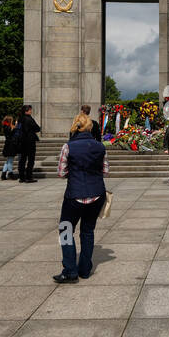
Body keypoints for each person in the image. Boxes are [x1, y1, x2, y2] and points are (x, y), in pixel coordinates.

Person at [53, 113, 110, 283]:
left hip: (75, 195)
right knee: (87, 231)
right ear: (90, 127)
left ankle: (70, 270)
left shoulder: (68, 147)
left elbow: (61, 173)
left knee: (65, 229)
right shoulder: (100, 146)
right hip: (97, 194)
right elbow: (105, 171)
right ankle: (85, 269)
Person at [17, 104, 41, 182]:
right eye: (30, 110)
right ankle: (29, 176)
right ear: (26, 111)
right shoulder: (29, 119)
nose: (31, 111)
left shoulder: (20, 119)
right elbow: (37, 128)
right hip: (29, 141)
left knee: (22, 159)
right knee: (31, 159)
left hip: (21, 142)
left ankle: (21, 177)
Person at [0, 115, 18, 180]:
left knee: (8, 160)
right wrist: (16, 126)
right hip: (10, 145)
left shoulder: (5, 126)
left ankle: (3, 174)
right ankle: (10, 173)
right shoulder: (8, 127)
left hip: (8, 145)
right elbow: (12, 132)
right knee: (10, 160)